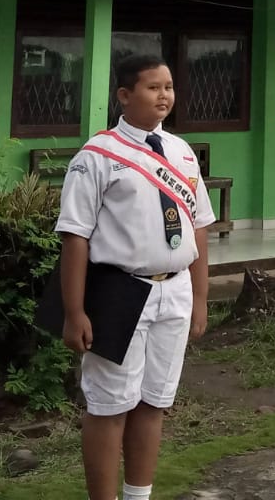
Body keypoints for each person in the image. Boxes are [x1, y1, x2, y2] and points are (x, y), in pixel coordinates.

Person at [56, 55, 214, 500]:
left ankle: (138, 495)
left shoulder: (182, 151)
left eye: (168, 86)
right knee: (109, 406)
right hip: (119, 292)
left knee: (155, 401)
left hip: (175, 288)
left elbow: (199, 224)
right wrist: (74, 311)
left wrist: (200, 297)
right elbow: (75, 236)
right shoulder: (98, 155)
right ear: (124, 96)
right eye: (152, 87)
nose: (164, 95)